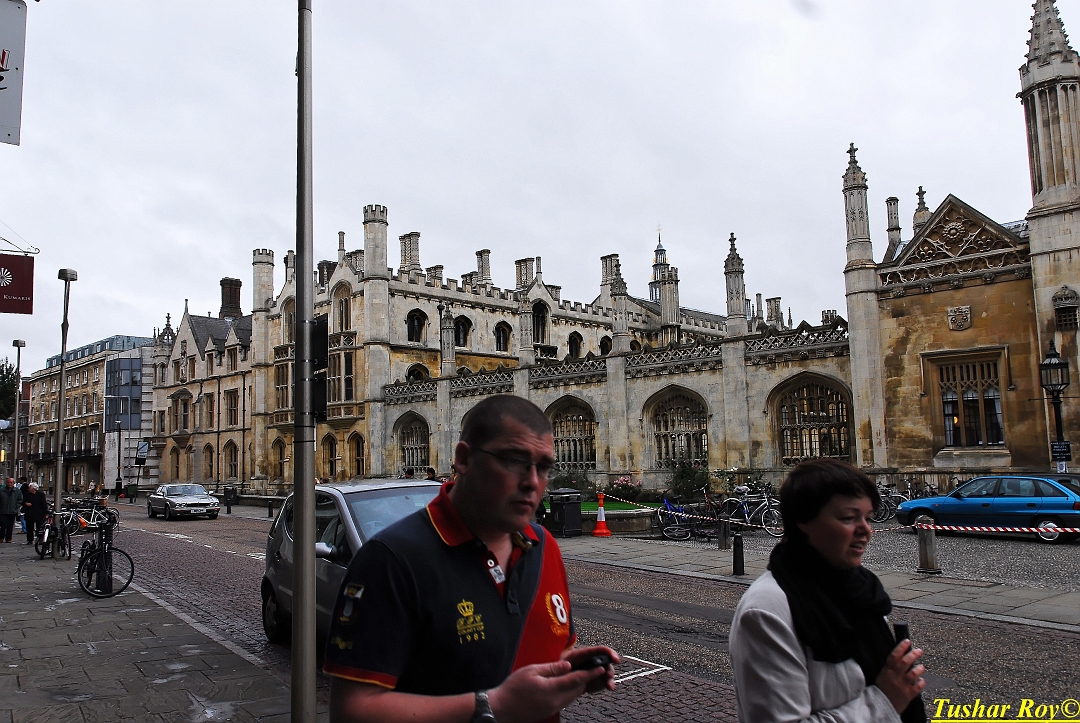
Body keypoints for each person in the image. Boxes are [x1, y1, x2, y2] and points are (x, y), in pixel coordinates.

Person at [324, 394, 618, 723]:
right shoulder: (390, 560)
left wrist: (569, 671)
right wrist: (493, 706)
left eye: (544, 467)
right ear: (463, 459)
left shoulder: (543, 545)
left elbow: (549, 651)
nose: (532, 482)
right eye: (513, 460)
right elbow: (351, 711)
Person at [729, 458, 927, 723]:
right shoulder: (766, 610)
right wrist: (884, 701)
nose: (866, 530)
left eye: (868, 518)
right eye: (849, 518)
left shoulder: (860, 590)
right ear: (803, 520)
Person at [0, 478, 23, 543]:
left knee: (10, 526)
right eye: (8, 482)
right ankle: (1, 537)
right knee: (3, 525)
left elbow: (20, 500)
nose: (9, 484)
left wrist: (16, 506)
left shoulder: (17, 491)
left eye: (11, 483)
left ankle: (8, 538)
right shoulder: (2, 490)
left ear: (13, 483)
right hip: (3, 511)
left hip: (12, 511)